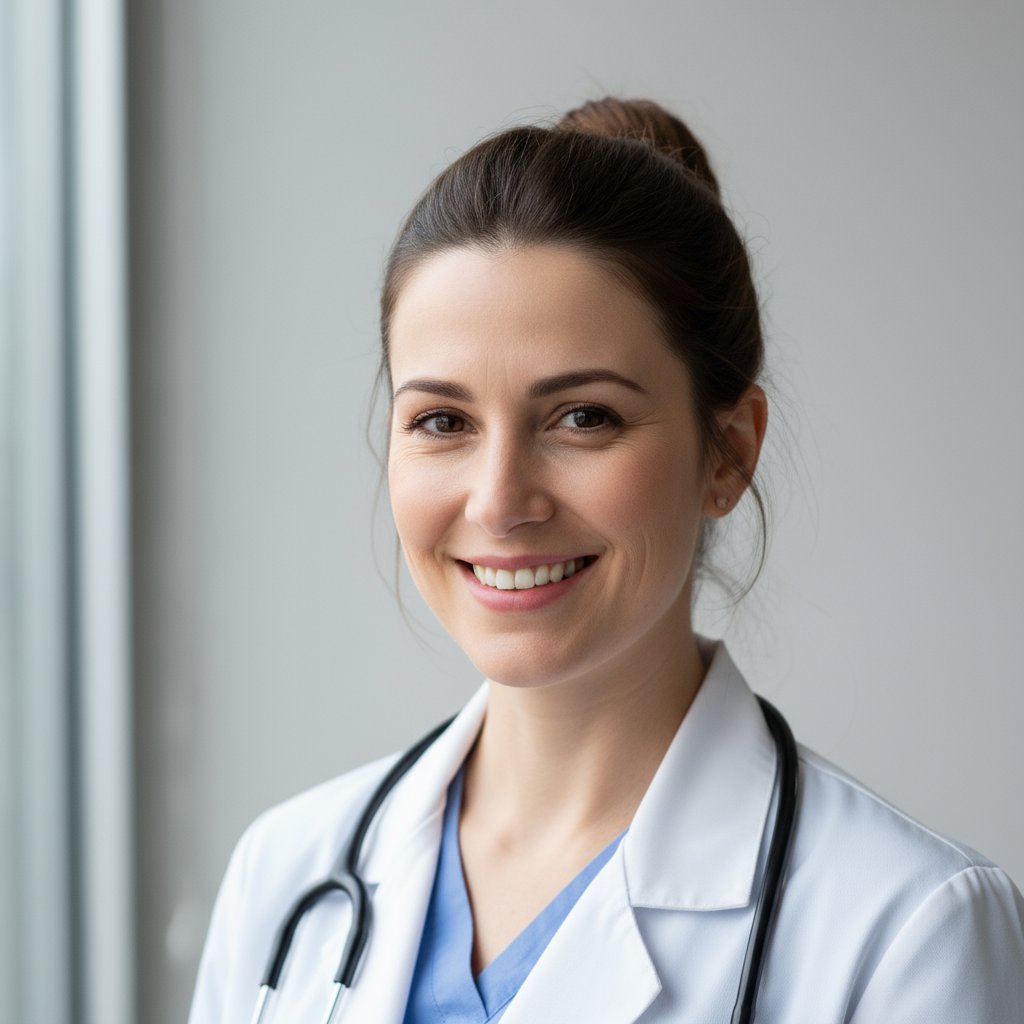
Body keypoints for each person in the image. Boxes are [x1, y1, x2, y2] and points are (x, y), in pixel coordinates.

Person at [188, 98, 1024, 1024]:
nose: (500, 501)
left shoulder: (905, 931)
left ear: (728, 453)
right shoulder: (286, 880)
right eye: (443, 421)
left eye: (584, 417)